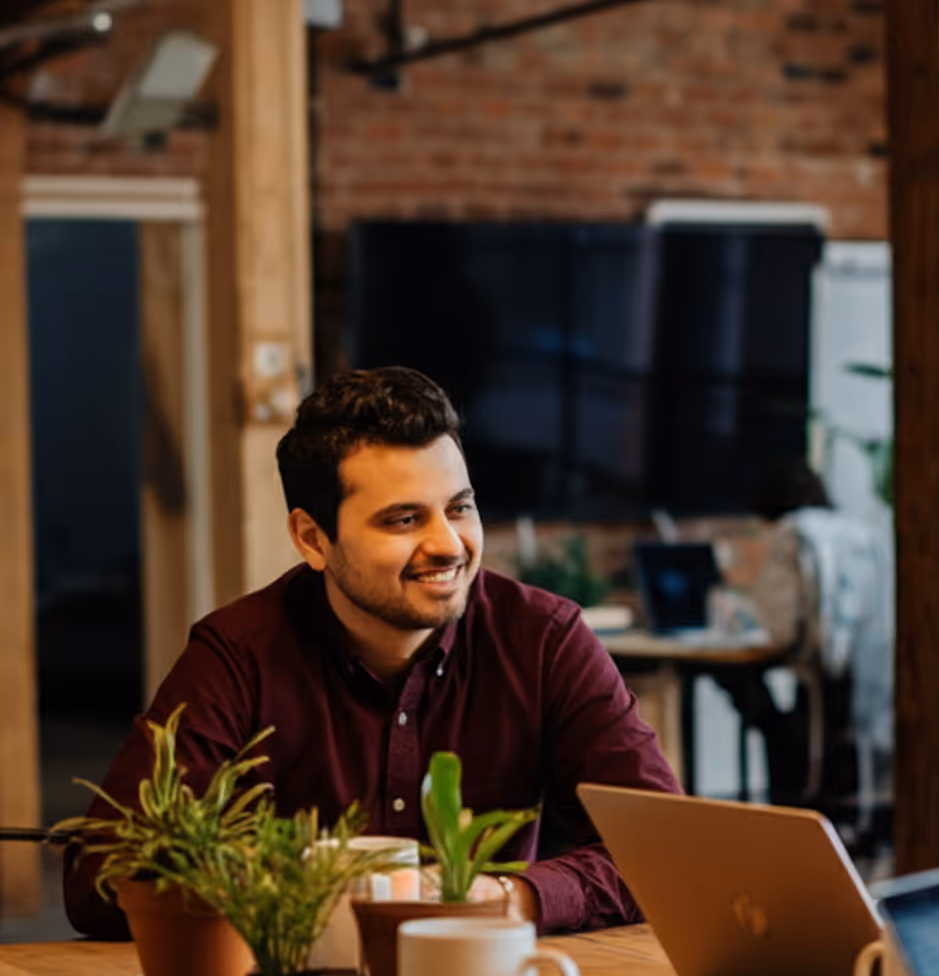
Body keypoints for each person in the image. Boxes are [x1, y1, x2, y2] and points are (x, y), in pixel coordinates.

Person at [64, 367, 680, 939]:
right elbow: (101, 875)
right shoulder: (239, 652)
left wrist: (496, 900)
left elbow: (665, 853)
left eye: (459, 508)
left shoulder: (545, 639)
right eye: (403, 519)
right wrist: (314, 896)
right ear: (313, 538)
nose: (448, 544)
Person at [722, 458, 894, 835]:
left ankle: (781, 808)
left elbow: (783, 630)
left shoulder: (790, 535)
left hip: (821, 691)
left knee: (735, 679)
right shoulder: (861, 531)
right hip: (870, 683)